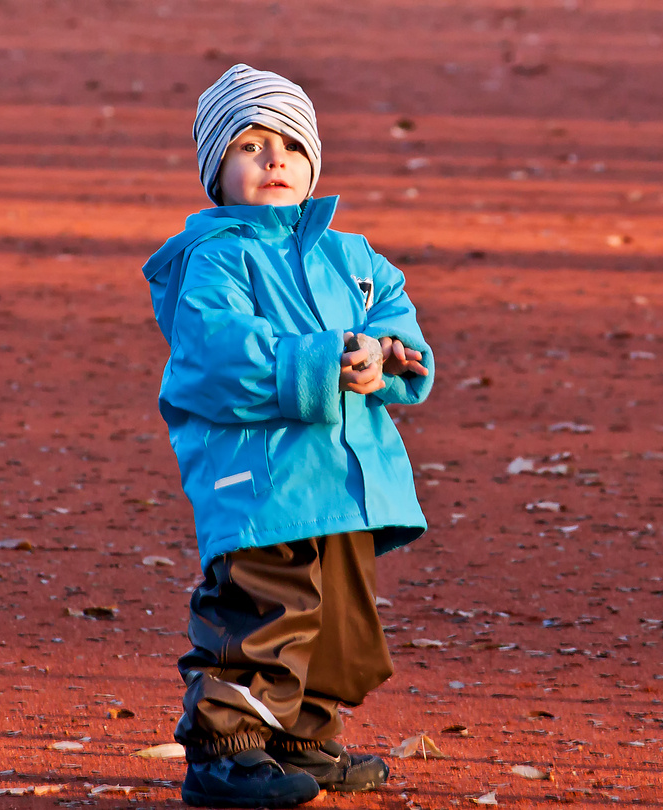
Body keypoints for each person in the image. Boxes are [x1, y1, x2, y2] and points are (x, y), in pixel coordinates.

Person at [141, 63, 434, 809]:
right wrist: (323, 359)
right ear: (216, 170)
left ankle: (301, 736)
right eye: (250, 144)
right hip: (260, 480)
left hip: (342, 479)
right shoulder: (214, 258)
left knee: (337, 616)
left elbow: (395, 323)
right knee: (263, 610)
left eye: (291, 147)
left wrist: (385, 358)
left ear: (313, 163)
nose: (275, 161)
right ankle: (227, 749)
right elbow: (217, 357)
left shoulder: (352, 256)